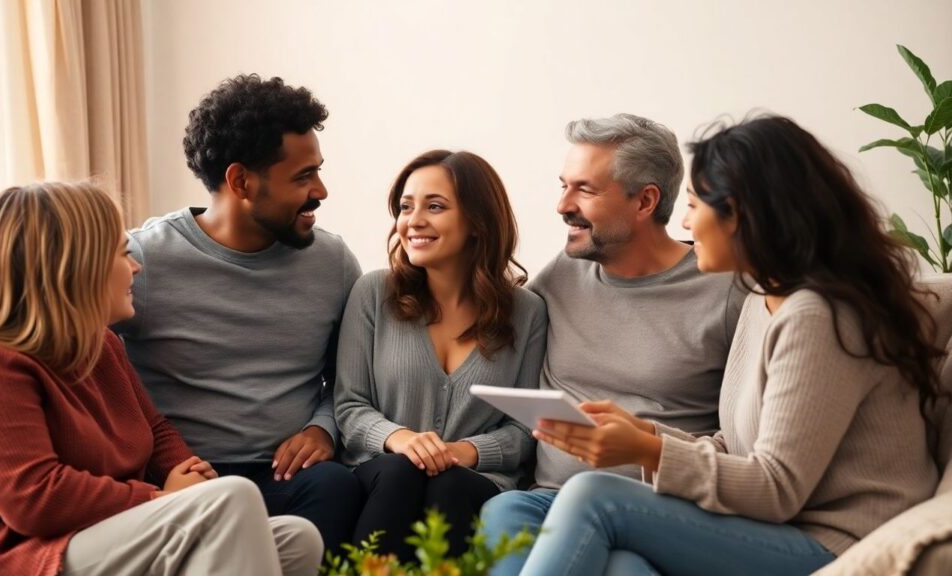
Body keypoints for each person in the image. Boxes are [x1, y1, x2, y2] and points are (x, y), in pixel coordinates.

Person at [518, 115, 943, 575]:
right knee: (623, 567)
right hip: (777, 529)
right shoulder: (762, 298)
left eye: (694, 204)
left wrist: (647, 451)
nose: (684, 222)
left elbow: (777, 488)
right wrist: (647, 434)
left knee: (593, 495)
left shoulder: (817, 316)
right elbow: (741, 447)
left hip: (835, 542)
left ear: (742, 216)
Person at [0, 182, 323, 576]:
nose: (136, 267)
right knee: (230, 498)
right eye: (121, 254)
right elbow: (33, 498)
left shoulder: (100, 344)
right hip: (7, 553)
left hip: (89, 534)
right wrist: (158, 497)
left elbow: (154, 428)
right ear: (74, 267)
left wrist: (187, 474)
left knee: (296, 538)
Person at [480, 114, 745, 574]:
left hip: (657, 508)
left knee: (625, 568)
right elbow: (489, 320)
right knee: (503, 509)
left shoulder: (725, 291)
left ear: (645, 201)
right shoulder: (565, 272)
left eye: (585, 190)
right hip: (549, 499)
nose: (562, 205)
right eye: (563, 186)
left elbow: (744, 436)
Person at [112, 74, 362, 553]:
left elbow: (352, 379)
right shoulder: (142, 260)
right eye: (303, 177)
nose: (321, 190)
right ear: (240, 181)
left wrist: (323, 428)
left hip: (287, 476)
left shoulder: (332, 263)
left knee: (337, 485)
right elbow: (71, 327)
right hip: (182, 477)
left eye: (318, 171)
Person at [334, 150, 547, 561]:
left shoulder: (527, 312)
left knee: (452, 482)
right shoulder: (373, 293)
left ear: (478, 221)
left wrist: (462, 452)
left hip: (473, 481)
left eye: (435, 206)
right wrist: (402, 440)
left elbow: (526, 428)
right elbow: (349, 406)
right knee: (401, 471)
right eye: (405, 207)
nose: (413, 221)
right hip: (383, 472)